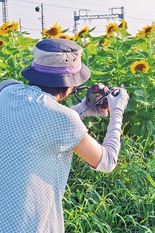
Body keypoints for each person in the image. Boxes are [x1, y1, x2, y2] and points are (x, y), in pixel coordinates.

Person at [0, 38, 129, 232]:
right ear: (71, 84)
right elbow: (107, 161)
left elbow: (39, 122)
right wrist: (117, 109)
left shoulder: (7, 91)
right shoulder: (63, 119)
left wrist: (84, 109)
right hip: (33, 226)